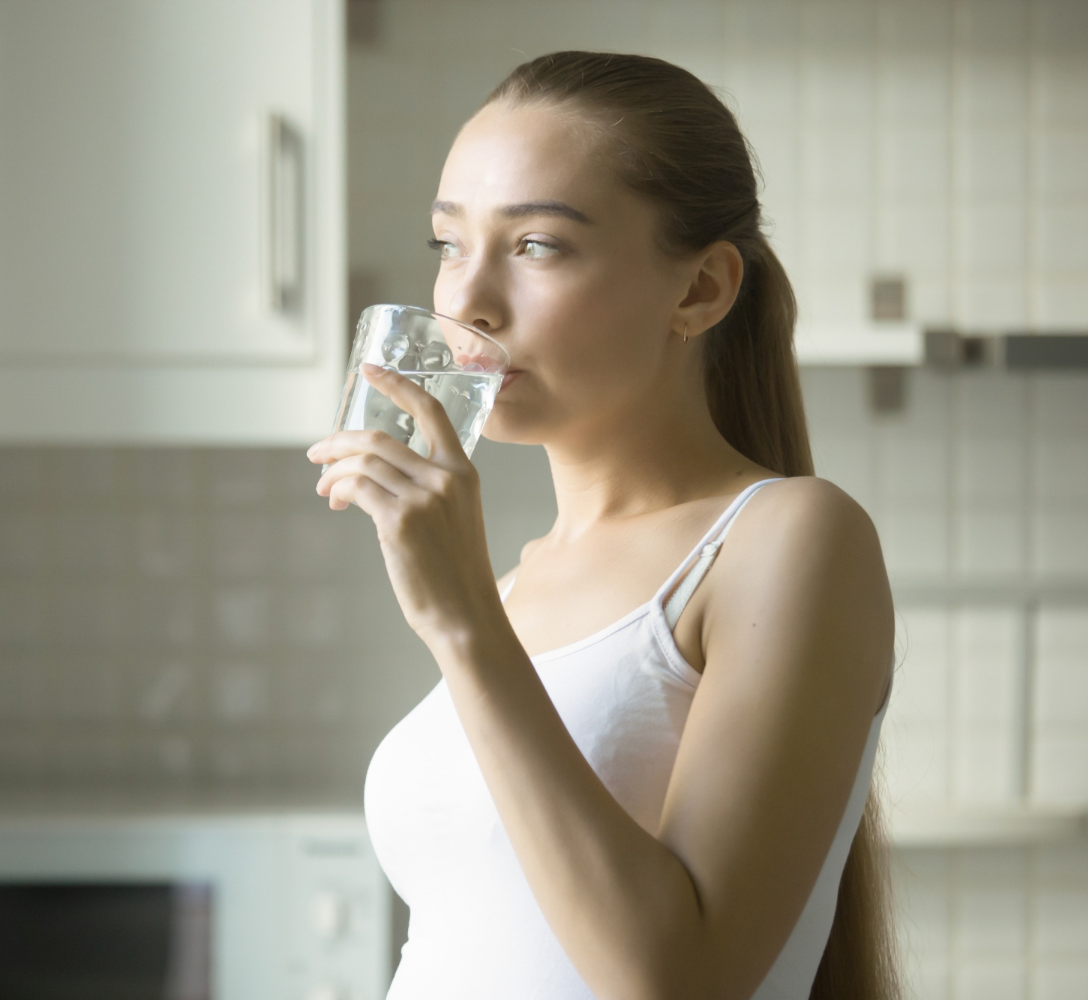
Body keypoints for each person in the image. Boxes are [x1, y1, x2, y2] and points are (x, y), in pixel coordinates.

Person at [306, 51, 897, 1000]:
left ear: (700, 289)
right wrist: (472, 614)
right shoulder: (514, 585)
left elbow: (679, 978)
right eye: (449, 245)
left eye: (536, 246)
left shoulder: (790, 539)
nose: (466, 303)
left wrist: (462, 625)